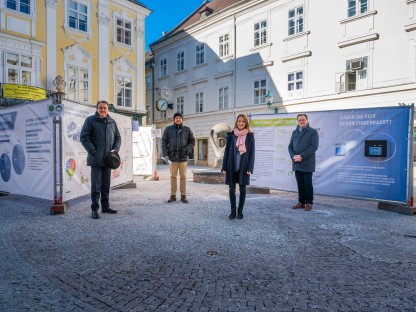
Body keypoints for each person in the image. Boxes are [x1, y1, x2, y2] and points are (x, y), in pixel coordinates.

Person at [80, 100, 121, 219]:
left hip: (109, 160)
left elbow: (118, 138)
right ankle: (94, 209)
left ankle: (105, 206)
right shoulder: (90, 120)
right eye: (100, 108)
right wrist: (93, 151)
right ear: (97, 109)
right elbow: (84, 137)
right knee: (96, 185)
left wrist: (114, 151)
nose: (103, 110)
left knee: (106, 185)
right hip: (96, 159)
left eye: (105, 108)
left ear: (108, 109)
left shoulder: (112, 122)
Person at [221, 114, 255, 220]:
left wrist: (250, 168)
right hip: (232, 165)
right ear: (236, 122)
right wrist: (224, 166)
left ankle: (240, 210)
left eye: (243, 122)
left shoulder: (250, 136)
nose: (241, 123)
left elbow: (252, 154)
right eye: (239, 121)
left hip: (244, 167)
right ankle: (233, 210)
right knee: (231, 189)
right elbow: (226, 152)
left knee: (243, 189)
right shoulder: (231, 135)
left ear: (246, 123)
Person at [162, 112, 195, 203]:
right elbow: (164, 142)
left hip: (183, 157)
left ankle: (183, 196)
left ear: (182, 119)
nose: (178, 119)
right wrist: (165, 155)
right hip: (172, 157)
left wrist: (186, 149)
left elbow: (192, 142)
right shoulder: (168, 129)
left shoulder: (187, 130)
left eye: (180, 118)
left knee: (183, 177)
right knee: (173, 176)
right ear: (174, 119)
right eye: (176, 118)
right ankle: (173, 196)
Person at [288, 113, 319, 211]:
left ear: (307, 120)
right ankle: (301, 202)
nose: (301, 121)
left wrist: (302, 156)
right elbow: (290, 146)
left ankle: (309, 203)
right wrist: (293, 156)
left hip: (307, 162)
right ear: (297, 121)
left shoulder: (313, 132)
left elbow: (314, 147)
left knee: (307, 184)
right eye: (300, 120)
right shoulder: (294, 132)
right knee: (299, 183)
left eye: (303, 119)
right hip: (297, 162)